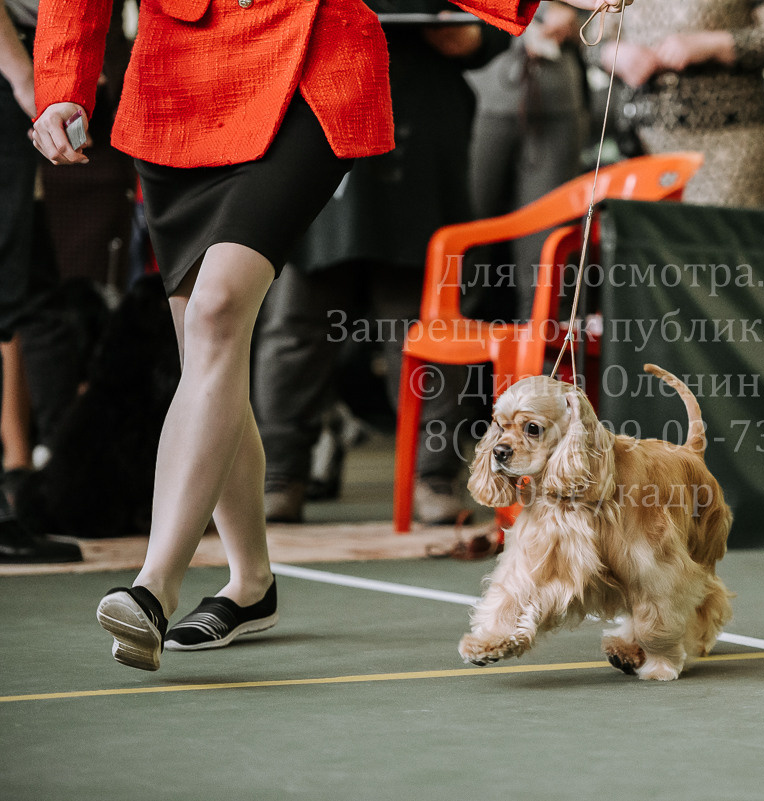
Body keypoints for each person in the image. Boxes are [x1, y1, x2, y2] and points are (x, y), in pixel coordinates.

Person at [29, 0, 551, 671]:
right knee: (205, 358)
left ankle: (153, 587)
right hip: (176, 85)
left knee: (215, 314)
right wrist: (62, 84)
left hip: (312, 66)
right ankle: (251, 584)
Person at [254, 0, 510, 526]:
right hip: (315, 106)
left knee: (427, 323)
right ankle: (280, 474)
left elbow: (492, 26)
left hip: (420, 117)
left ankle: (433, 476)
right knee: (298, 322)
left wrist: (473, 33)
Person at [0, 1, 81, 563]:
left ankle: (26, 498)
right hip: (12, 67)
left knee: (28, 291)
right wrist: (24, 77)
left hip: (24, 62)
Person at [591, 0, 764, 208]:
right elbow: (591, 41)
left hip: (730, 147)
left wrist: (714, 44)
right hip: (645, 147)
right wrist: (613, 54)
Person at [468, 1, 588, 317]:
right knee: (467, 235)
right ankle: (451, 342)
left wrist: (574, 19)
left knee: (546, 246)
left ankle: (540, 346)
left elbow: (615, 19)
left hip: (556, 99)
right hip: (482, 93)